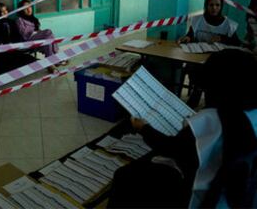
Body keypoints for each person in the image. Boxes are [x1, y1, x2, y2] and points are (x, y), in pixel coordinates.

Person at [108, 49, 257, 208]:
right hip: (243, 197)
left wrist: (143, 128)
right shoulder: (250, 113)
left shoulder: (211, 122)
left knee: (126, 176)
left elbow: (170, 148)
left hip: (206, 199)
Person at [16, 0, 67, 73]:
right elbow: (24, 35)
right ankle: (53, 58)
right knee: (48, 32)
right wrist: (37, 33)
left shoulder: (33, 19)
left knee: (48, 39)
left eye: (29, 7)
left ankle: (51, 64)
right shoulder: (19, 20)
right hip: (27, 41)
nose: (28, 9)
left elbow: (39, 32)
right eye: (25, 8)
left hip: (36, 39)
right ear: (21, 10)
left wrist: (39, 33)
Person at [0, 2, 37, 75]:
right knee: (6, 67)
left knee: (29, 60)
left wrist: (14, 44)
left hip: (14, 48)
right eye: (1, 11)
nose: (4, 13)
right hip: (3, 51)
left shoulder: (11, 22)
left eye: (5, 10)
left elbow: (17, 35)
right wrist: (4, 44)